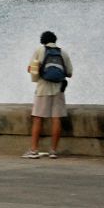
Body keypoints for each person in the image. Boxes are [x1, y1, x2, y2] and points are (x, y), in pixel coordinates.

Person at [23, 31, 72, 159]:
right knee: (56, 118)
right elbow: (69, 72)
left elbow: (33, 69)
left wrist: (35, 78)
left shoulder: (40, 50)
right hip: (59, 89)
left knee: (38, 117)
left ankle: (33, 150)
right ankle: (53, 151)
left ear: (42, 41)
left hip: (43, 88)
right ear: (55, 40)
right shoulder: (63, 53)